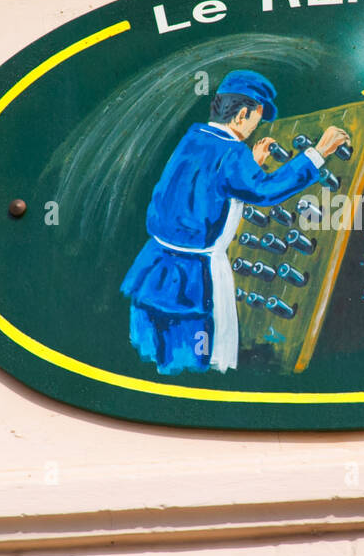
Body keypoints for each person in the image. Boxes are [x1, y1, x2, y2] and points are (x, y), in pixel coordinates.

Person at [119, 70, 350, 374]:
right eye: (257, 118)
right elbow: (265, 192)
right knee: (191, 369)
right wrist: (318, 153)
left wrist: (250, 166)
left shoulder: (194, 137)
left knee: (150, 361)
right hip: (192, 279)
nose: (257, 127)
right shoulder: (231, 151)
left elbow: (204, 184)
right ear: (242, 114)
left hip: (153, 268)